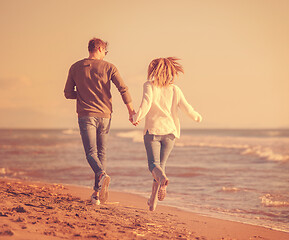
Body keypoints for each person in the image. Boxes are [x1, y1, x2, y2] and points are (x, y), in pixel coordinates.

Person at [64, 38, 135, 205]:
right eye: (105, 51)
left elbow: (68, 93)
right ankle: (96, 193)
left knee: (91, 153)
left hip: (86, 115)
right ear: (101, 49)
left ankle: (100, 180)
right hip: (105, 115)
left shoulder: (75, 67)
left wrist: (82, 95)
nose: (105, 55)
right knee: (101, 153)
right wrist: (131, 110)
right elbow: (123, 89)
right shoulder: (109, 67)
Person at [132, 57, 202, 211]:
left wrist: (136, 117)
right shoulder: (175, 89)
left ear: (154, 71)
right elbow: (186, 107)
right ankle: (153, 201)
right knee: (161, 166)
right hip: (170, 133)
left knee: (154, 165)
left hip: (153, 131)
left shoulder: (149, 85)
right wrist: (197, 117)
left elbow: (146, 103)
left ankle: (161, 181)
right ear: (170, 72)